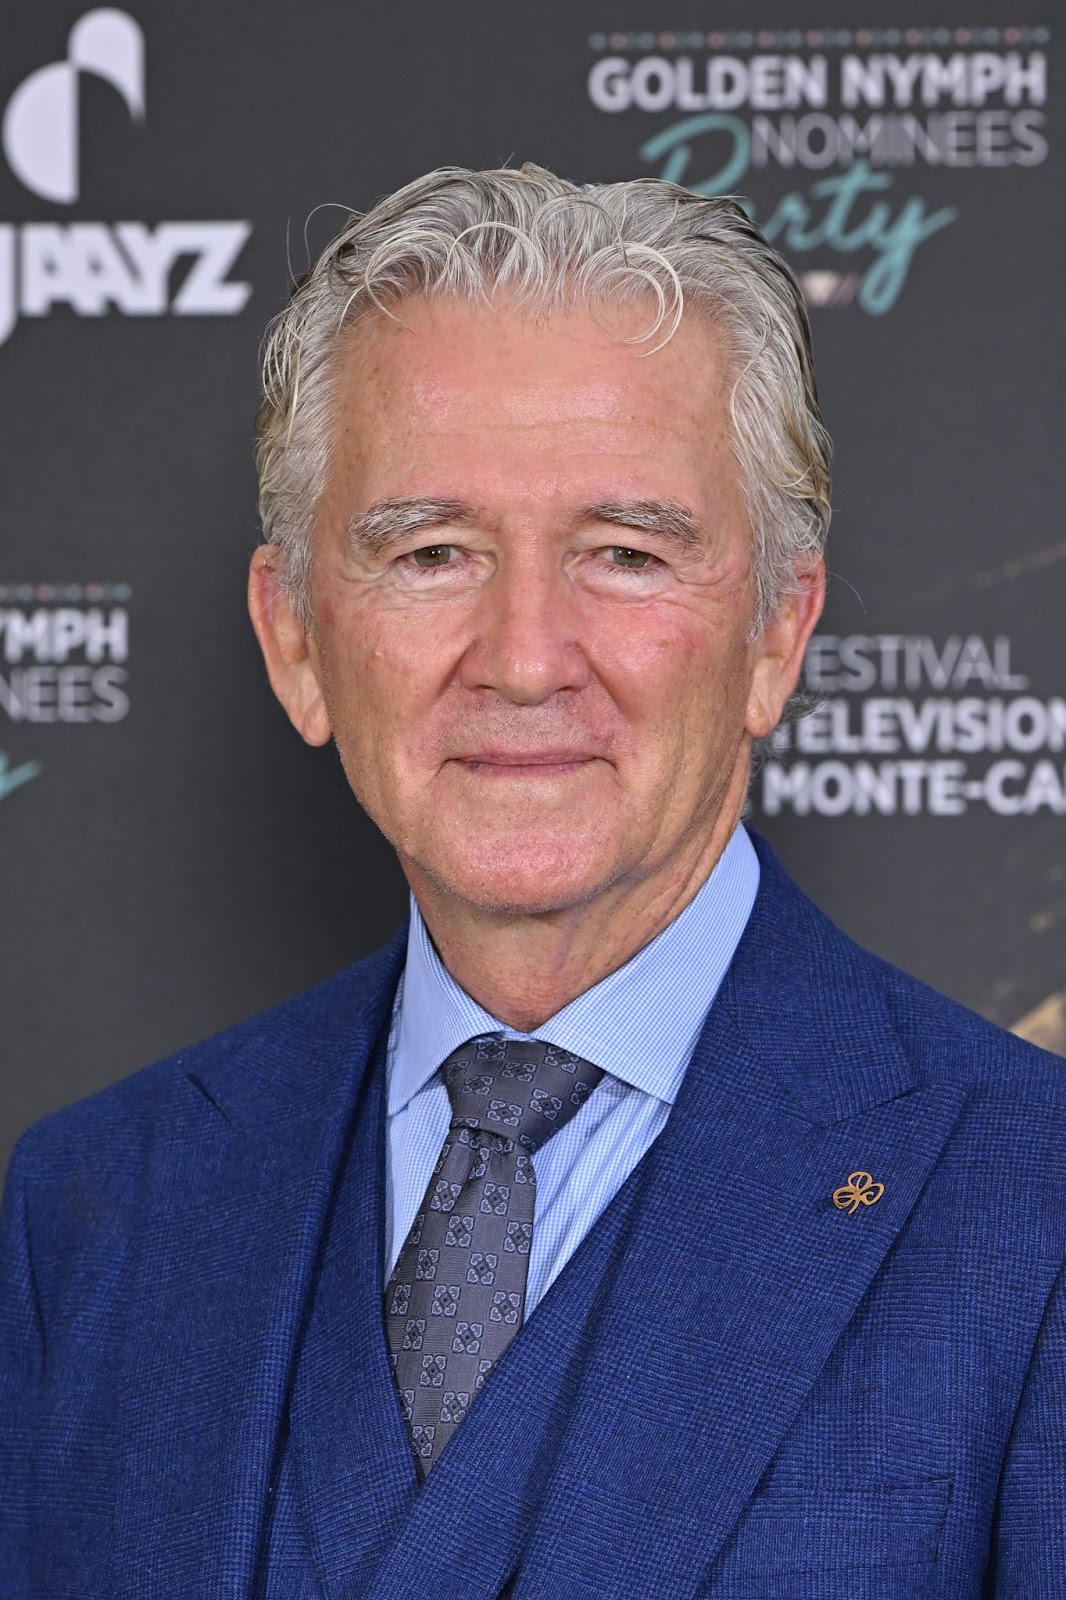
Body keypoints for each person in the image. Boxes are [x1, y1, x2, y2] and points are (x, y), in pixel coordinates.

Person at [2, 163, 1065, 1600]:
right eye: (430, 552)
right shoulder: (95, 1210)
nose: (521, 656)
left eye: (625, 556)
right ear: (297, 639)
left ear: (773, 635)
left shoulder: (1033, 1205)